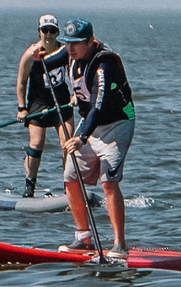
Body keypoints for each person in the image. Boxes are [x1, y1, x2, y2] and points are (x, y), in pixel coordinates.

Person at [58, 19, 135, 257]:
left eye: (76, 44)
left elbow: (98, 107)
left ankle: (119, 244)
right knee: (71, 176)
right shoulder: (72, 53)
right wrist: (39, 58)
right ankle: (83, 237)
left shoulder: (104, 65)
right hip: (91, 124)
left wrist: (81, 137)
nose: (70, 49)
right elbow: (53, 59)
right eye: (67, 44)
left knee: (108, 182)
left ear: (90, 41)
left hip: (117, 124)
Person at [12, 14, 70, 198]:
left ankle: (70, 186)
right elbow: (21, 83)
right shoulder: (31, 55)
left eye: (52, 31)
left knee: (67, 145)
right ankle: (30, 184)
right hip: (38, 103)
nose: (49, 34)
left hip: (61, 102)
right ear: (39, 32)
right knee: (36, 143)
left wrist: (78, 94)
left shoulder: (65, 52)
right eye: (45, 30)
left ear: (57, 32)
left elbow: (76, 74)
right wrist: (22, 108)